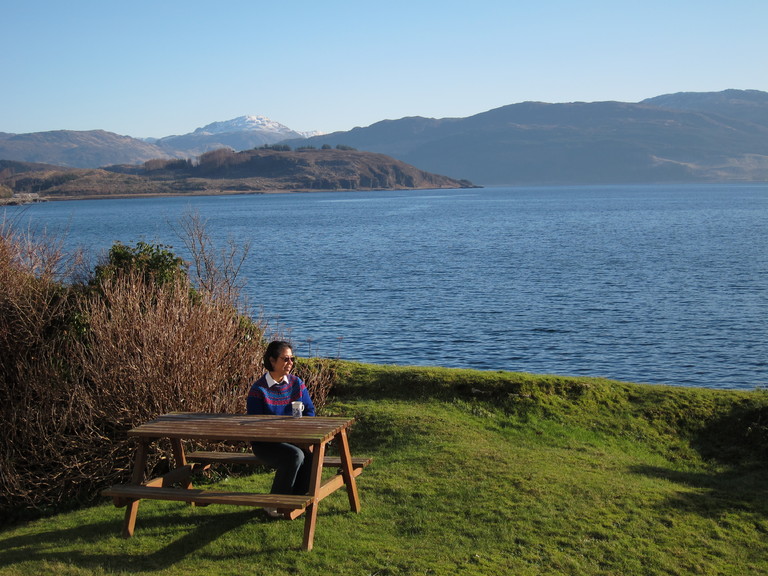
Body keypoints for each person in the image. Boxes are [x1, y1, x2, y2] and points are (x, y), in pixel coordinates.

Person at [246, 340, 316, 518]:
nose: (290, 363)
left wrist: (302, 434)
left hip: (293, 438)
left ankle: (296, 500)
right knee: (295, 455)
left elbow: (310, 410)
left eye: (292, 359)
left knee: (313, 452)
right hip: (266, 443)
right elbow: (256, 427)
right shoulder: (259, 390)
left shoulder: (296, 383)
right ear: (272, 361)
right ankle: (273, 505)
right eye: (285, 359)